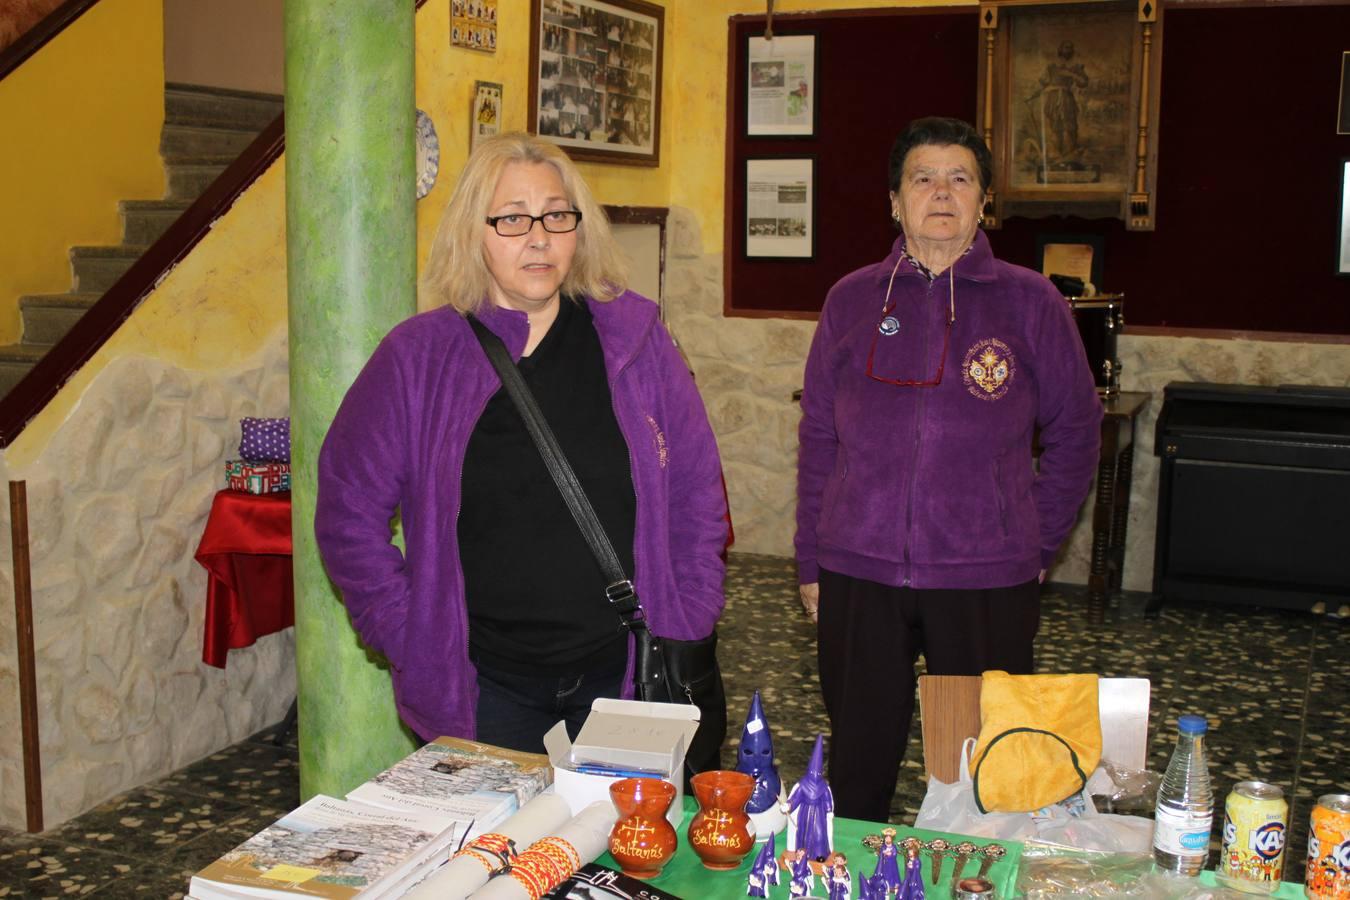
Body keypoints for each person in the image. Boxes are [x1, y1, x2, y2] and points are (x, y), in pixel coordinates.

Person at [315, 133, 727, 752]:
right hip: (486, 688)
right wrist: (411, 633)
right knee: (496, 850)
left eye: (556, 215)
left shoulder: (634, 342)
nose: (538, 237)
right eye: (511, 218)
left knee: (619, 848)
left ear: (578, 230)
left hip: (624, 676)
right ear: (472, 233)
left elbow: (698, 492)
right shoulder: (418, 359)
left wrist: (687, 614)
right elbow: (347, 513)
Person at [795, 116, 1101, 822]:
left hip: (982, 577)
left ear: (984, 202)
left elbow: (1077, 432)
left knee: (970, 769)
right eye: (922, 178)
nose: (941, 192)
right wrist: (811, 561)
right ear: (894, 202)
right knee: (859, 759)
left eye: (960, 178)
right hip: (859, 570)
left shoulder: (1030, 302)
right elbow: (818, 436)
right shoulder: (850, 300)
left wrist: (1035, 542)